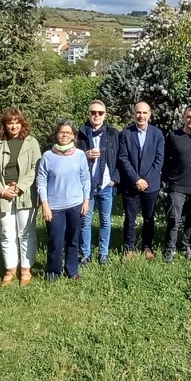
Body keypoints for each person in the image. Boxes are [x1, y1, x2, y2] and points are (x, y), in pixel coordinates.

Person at [0, 108, 41, 287]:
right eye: (10, 123)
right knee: (7, 233)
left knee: (26, 232)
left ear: (22, 124)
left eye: (17, 122)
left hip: (25, 193)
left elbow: (36, 167)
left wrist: (20, 187)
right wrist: (1, 190)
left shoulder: (31, 142)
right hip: (4, 194)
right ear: (5, 125)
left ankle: (25, 269)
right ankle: (10, 269)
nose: (14, 126)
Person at [37, 120, 91, 281]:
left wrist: (86, 200)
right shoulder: (48, 156)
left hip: (76, 205)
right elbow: (41, 181)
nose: (65, 135)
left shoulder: (80, 155)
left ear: (74, 136)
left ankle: (72, 270)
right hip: (54, 207)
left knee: (73, 240)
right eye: (62, 132)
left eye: (68, 132)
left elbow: (85, 177)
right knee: (55, 241)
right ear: (57, 134)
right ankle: (54, 272)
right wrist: (45, 205)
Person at [117, 101, 165, 259]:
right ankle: (129, 249)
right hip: (131, 184)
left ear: (149, 115)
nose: (141, 116)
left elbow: (159, 160)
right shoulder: (126, 134)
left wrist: (146, 180)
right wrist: (136, 180)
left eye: (144, 113)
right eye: (138, 112)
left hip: (151, 185)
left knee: (149, 218)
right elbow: (123, 159)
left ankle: (147, 247)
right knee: (130, 219)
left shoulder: (157, 134)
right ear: (134, 114)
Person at [76, 100, 120, 265]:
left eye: (100, 113)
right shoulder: (80, 134)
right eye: (93, 112)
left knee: (105, 220)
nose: (96, 115)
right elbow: (72, 156)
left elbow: (121, 158)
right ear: (88, 114)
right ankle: (85, 254)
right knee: (85, 221)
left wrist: (115, 179)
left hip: (106, 184)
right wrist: (84, 155)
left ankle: (103, 253)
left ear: (105, 115)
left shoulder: (113, 133)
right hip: (87, 185)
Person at [162, 105, 191, 262]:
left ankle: (186, 246)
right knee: (174, 218)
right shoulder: (174, 136)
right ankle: (170, 249)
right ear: (183, 117)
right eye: (189, 116)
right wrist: (168, 179)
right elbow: (165, 159)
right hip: (177, 185)